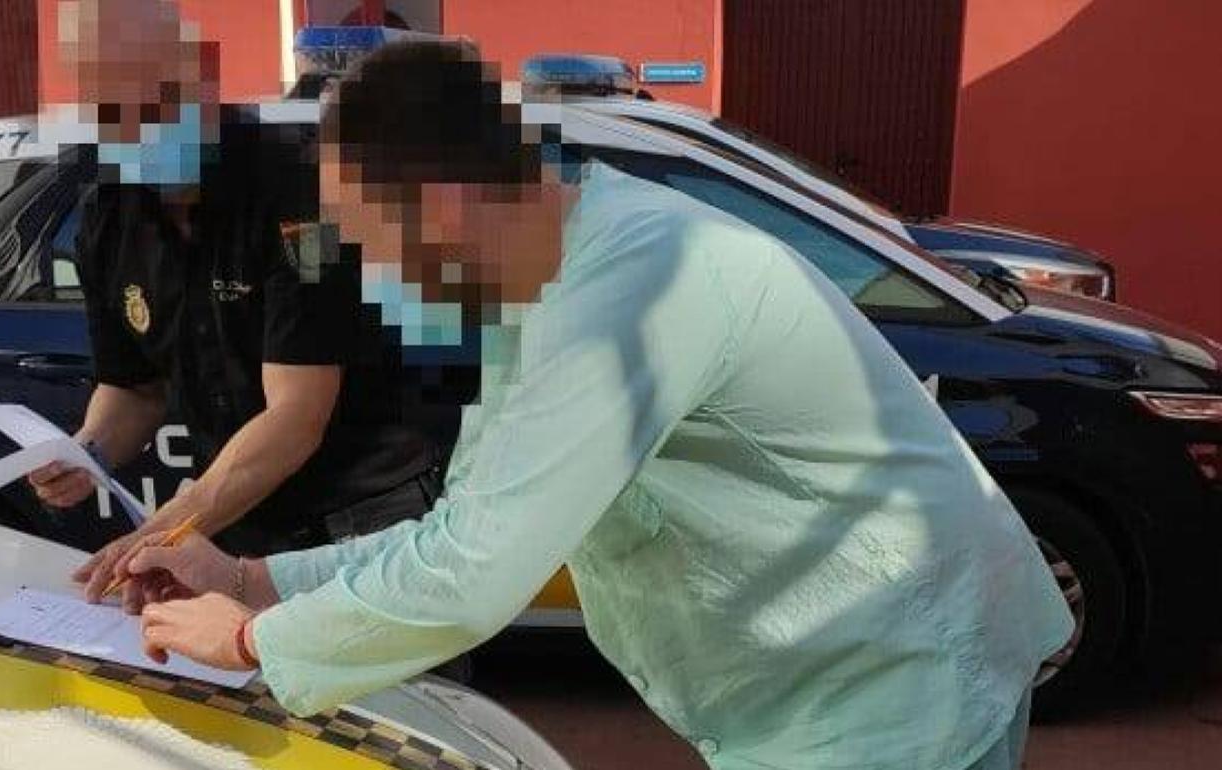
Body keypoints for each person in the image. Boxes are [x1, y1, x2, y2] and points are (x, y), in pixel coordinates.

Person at [132, 40, 1075, 770]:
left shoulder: (632, 289)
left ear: (444, 204)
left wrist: (250, 640)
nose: (367, 273)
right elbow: (467, 526)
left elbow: (473, 574)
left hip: (896, 676)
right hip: (827, 678)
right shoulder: (540, 294)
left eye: (367, 238)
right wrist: (252, 580)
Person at [28, 0, 458, 613]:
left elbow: (296, 414)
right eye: (113, 105)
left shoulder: (302, 194)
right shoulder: (110, 216)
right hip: (234, 532)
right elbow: (135, 389)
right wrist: (87, 453)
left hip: (362, 527)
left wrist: (167, 526)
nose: (139, 123)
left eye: (154, 95)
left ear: (200, 73)